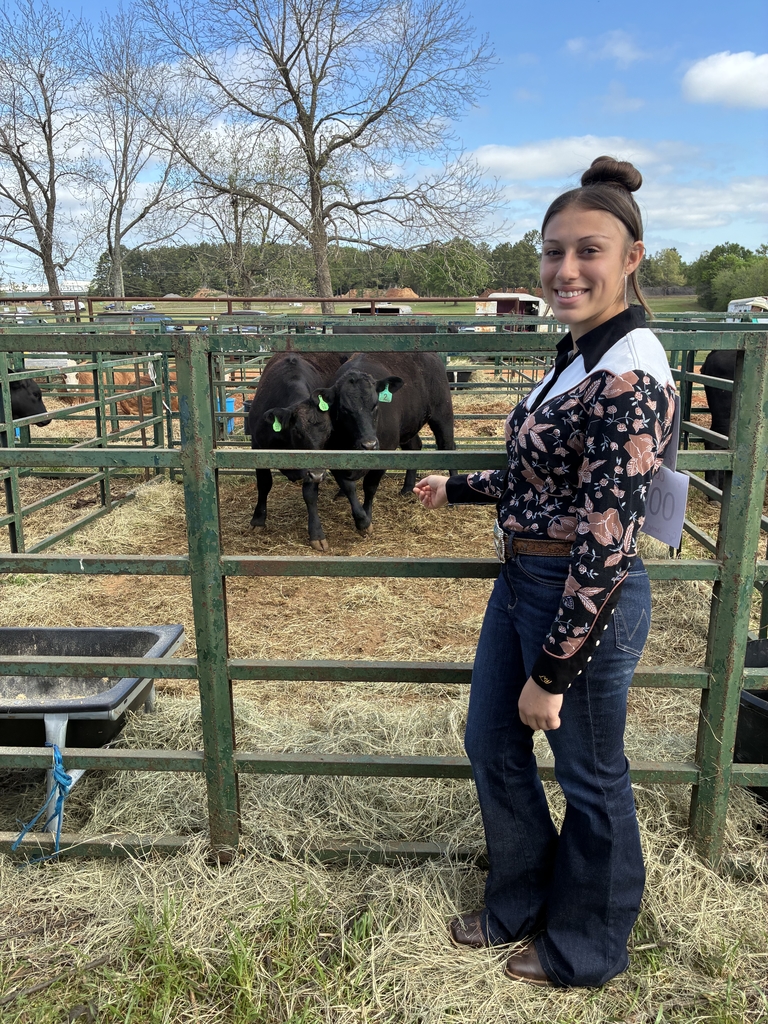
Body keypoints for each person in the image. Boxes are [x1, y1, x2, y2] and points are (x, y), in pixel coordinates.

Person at [414, 156, 677, 988]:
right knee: (490, 740)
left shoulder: (629, 372)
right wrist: (459, 485)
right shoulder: (578, 353)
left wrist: (554, 673)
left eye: (588, 252)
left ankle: (586, 946)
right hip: (524, 579)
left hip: (579, 597)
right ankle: (522, 896)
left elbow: (607, 537)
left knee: (592, 777)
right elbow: (552, 480)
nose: (565, 270)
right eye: (552, 252)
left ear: (632, 259)